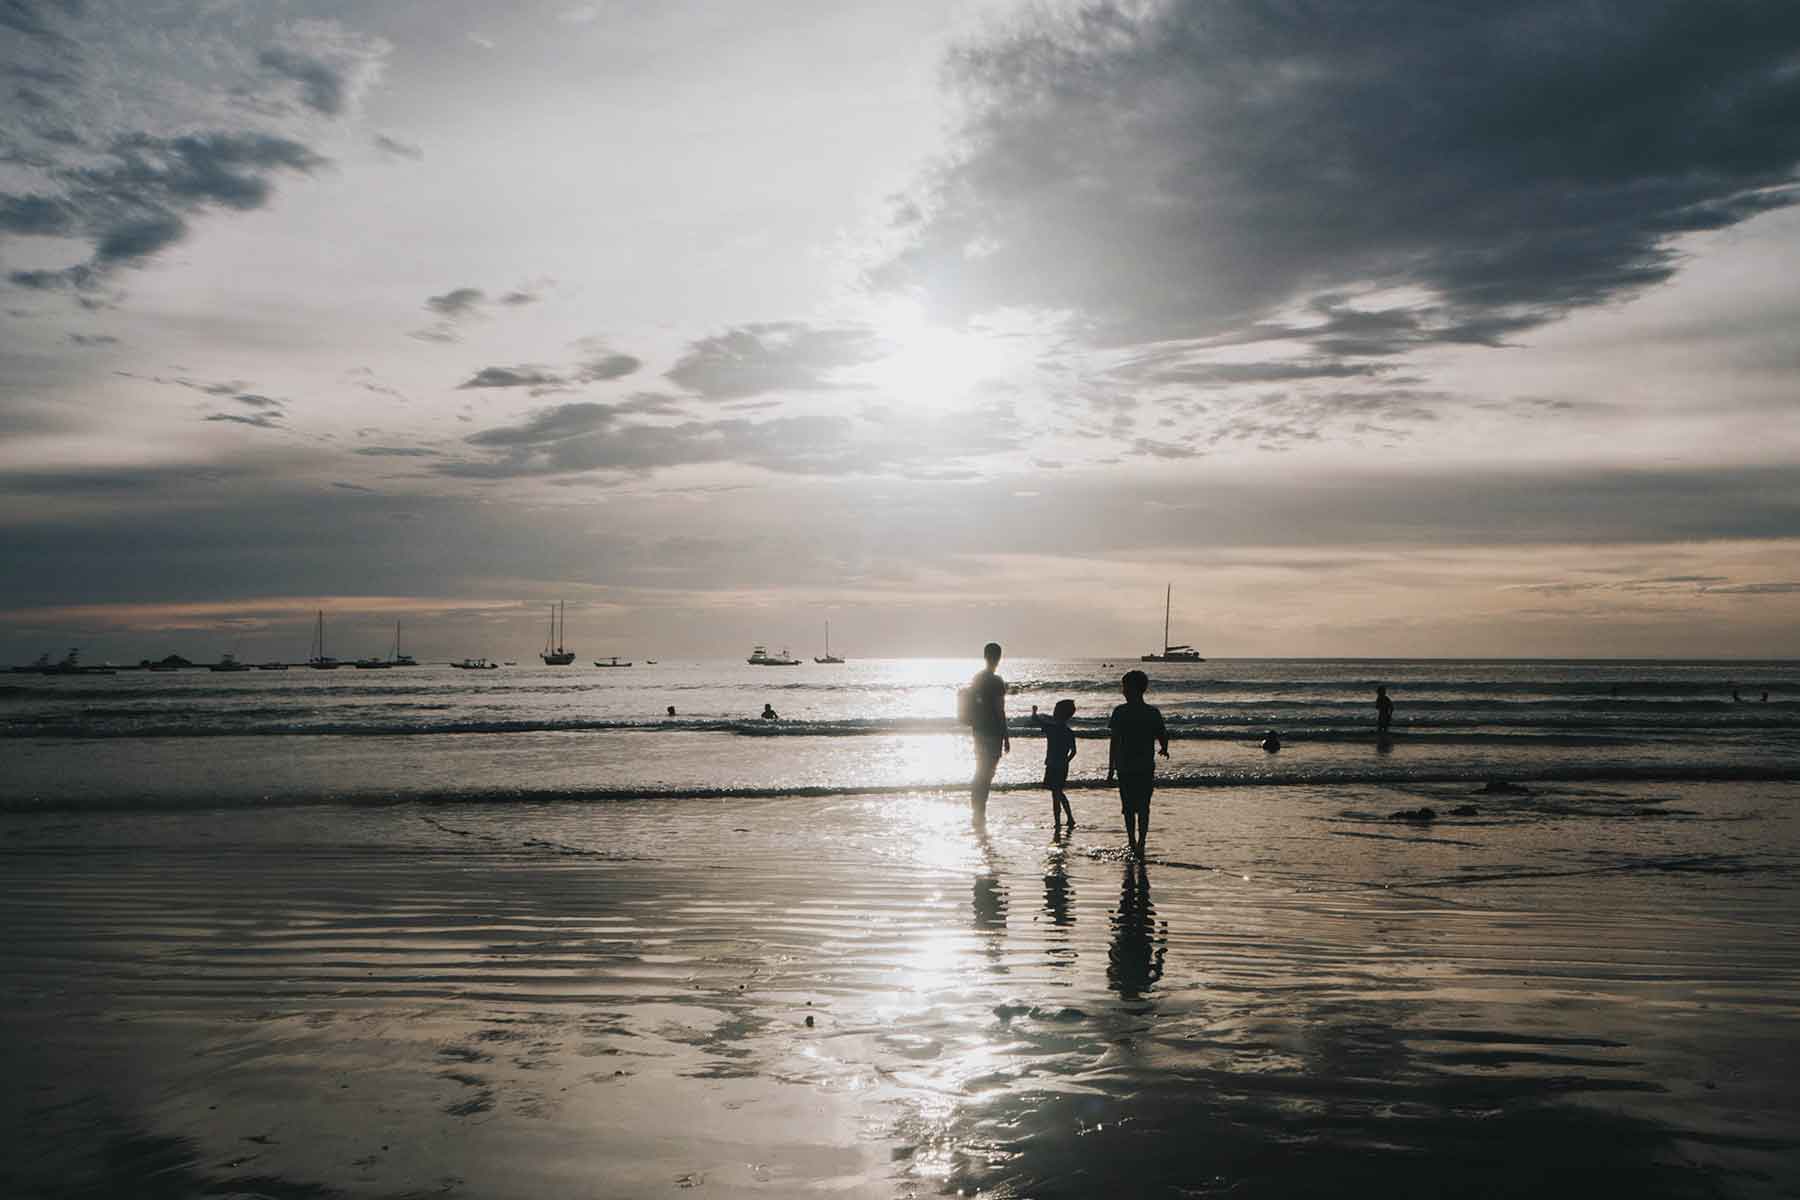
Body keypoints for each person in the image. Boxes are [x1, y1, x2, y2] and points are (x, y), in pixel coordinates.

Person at [1106, 669, 1168, 859]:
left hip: (1126, 767)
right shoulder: (1152, 712)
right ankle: (1140, 842)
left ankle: (1133, 841)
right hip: (1144, 767)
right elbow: (1162, 734)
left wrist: (1111, 769)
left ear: (1134, 689)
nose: (1123, 691)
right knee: (1143, 806)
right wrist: (1164, 748)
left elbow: (1114, 743)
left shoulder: (1120, 712)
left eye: (1125, 687)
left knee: (1128, 807)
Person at [966, 642, 1009, 829]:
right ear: (998, 658)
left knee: (980, 771)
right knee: (987, 773)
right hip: (992, 732)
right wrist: (1006, 736)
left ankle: (977, 811)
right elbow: (1000, 710)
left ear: (985, 656)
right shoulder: (996, 681)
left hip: (978, 731)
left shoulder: (977, 678)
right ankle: (980, 811)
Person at [1031, 700, 1078, 831]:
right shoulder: (1068, 731)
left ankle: (1058, 822)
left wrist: (1034, 711)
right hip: (1061, 765)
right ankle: (1069, 818)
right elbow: (1073, 751)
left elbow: (1036, 720)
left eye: (1056, 710)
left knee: (1056, 794)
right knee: (1058, 792)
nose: (1054, 712)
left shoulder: (1052, 728)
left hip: (1052, 765)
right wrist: (1066, 761)